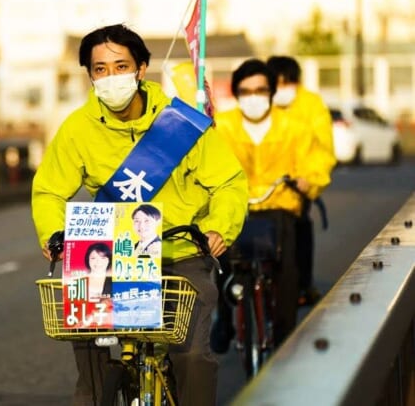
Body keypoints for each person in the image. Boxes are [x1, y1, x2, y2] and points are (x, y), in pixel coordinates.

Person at [31, 23, 248, 406]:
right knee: (90, 352)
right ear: (90, 75)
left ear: (141, 69)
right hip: (111, 258)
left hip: (180, 253)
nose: (110, 77)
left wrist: (218, 229)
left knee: (193, 357)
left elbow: (229, 183)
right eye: (100, 69)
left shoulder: (182, 126)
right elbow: (49, 189)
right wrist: (54, 233)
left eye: (120, 66)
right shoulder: (78, 130)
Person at [211, 58, 332, 352]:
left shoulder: (295, 127)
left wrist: (308, 180)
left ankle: (284, 337)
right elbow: (205, 163)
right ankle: (224, 318)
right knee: (220, 258)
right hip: (235, 206)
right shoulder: (220, 126)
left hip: (279, 207)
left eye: (260, 90)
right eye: (246, 90)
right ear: (237, 94)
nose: (253, 97)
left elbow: (317, 160)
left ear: (271, 92)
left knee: (287, 269)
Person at [266, 55, 336, 306]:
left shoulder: (311, 105)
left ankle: (303, 283)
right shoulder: (260, 102)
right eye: (279, 83)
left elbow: (323, 148)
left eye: (289, 83)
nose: (284, 90)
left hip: (295, 184)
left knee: (300, 230)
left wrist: (310, 180)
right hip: (260, 185)